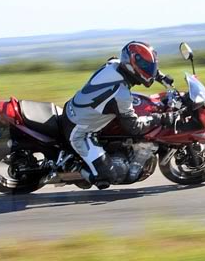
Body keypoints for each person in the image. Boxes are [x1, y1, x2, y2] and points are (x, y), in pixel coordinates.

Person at [63, 41, 176, 187]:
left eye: (151, 67)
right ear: (132, 65)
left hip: (75, 109)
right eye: (147, 67)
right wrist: (159, 119)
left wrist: (160, 76)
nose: (150, 70)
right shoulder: (120, 93)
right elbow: (134, 127)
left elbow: (122, 63)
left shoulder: (115, 64)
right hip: (79, 131)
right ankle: (74, 168)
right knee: (107, 176)